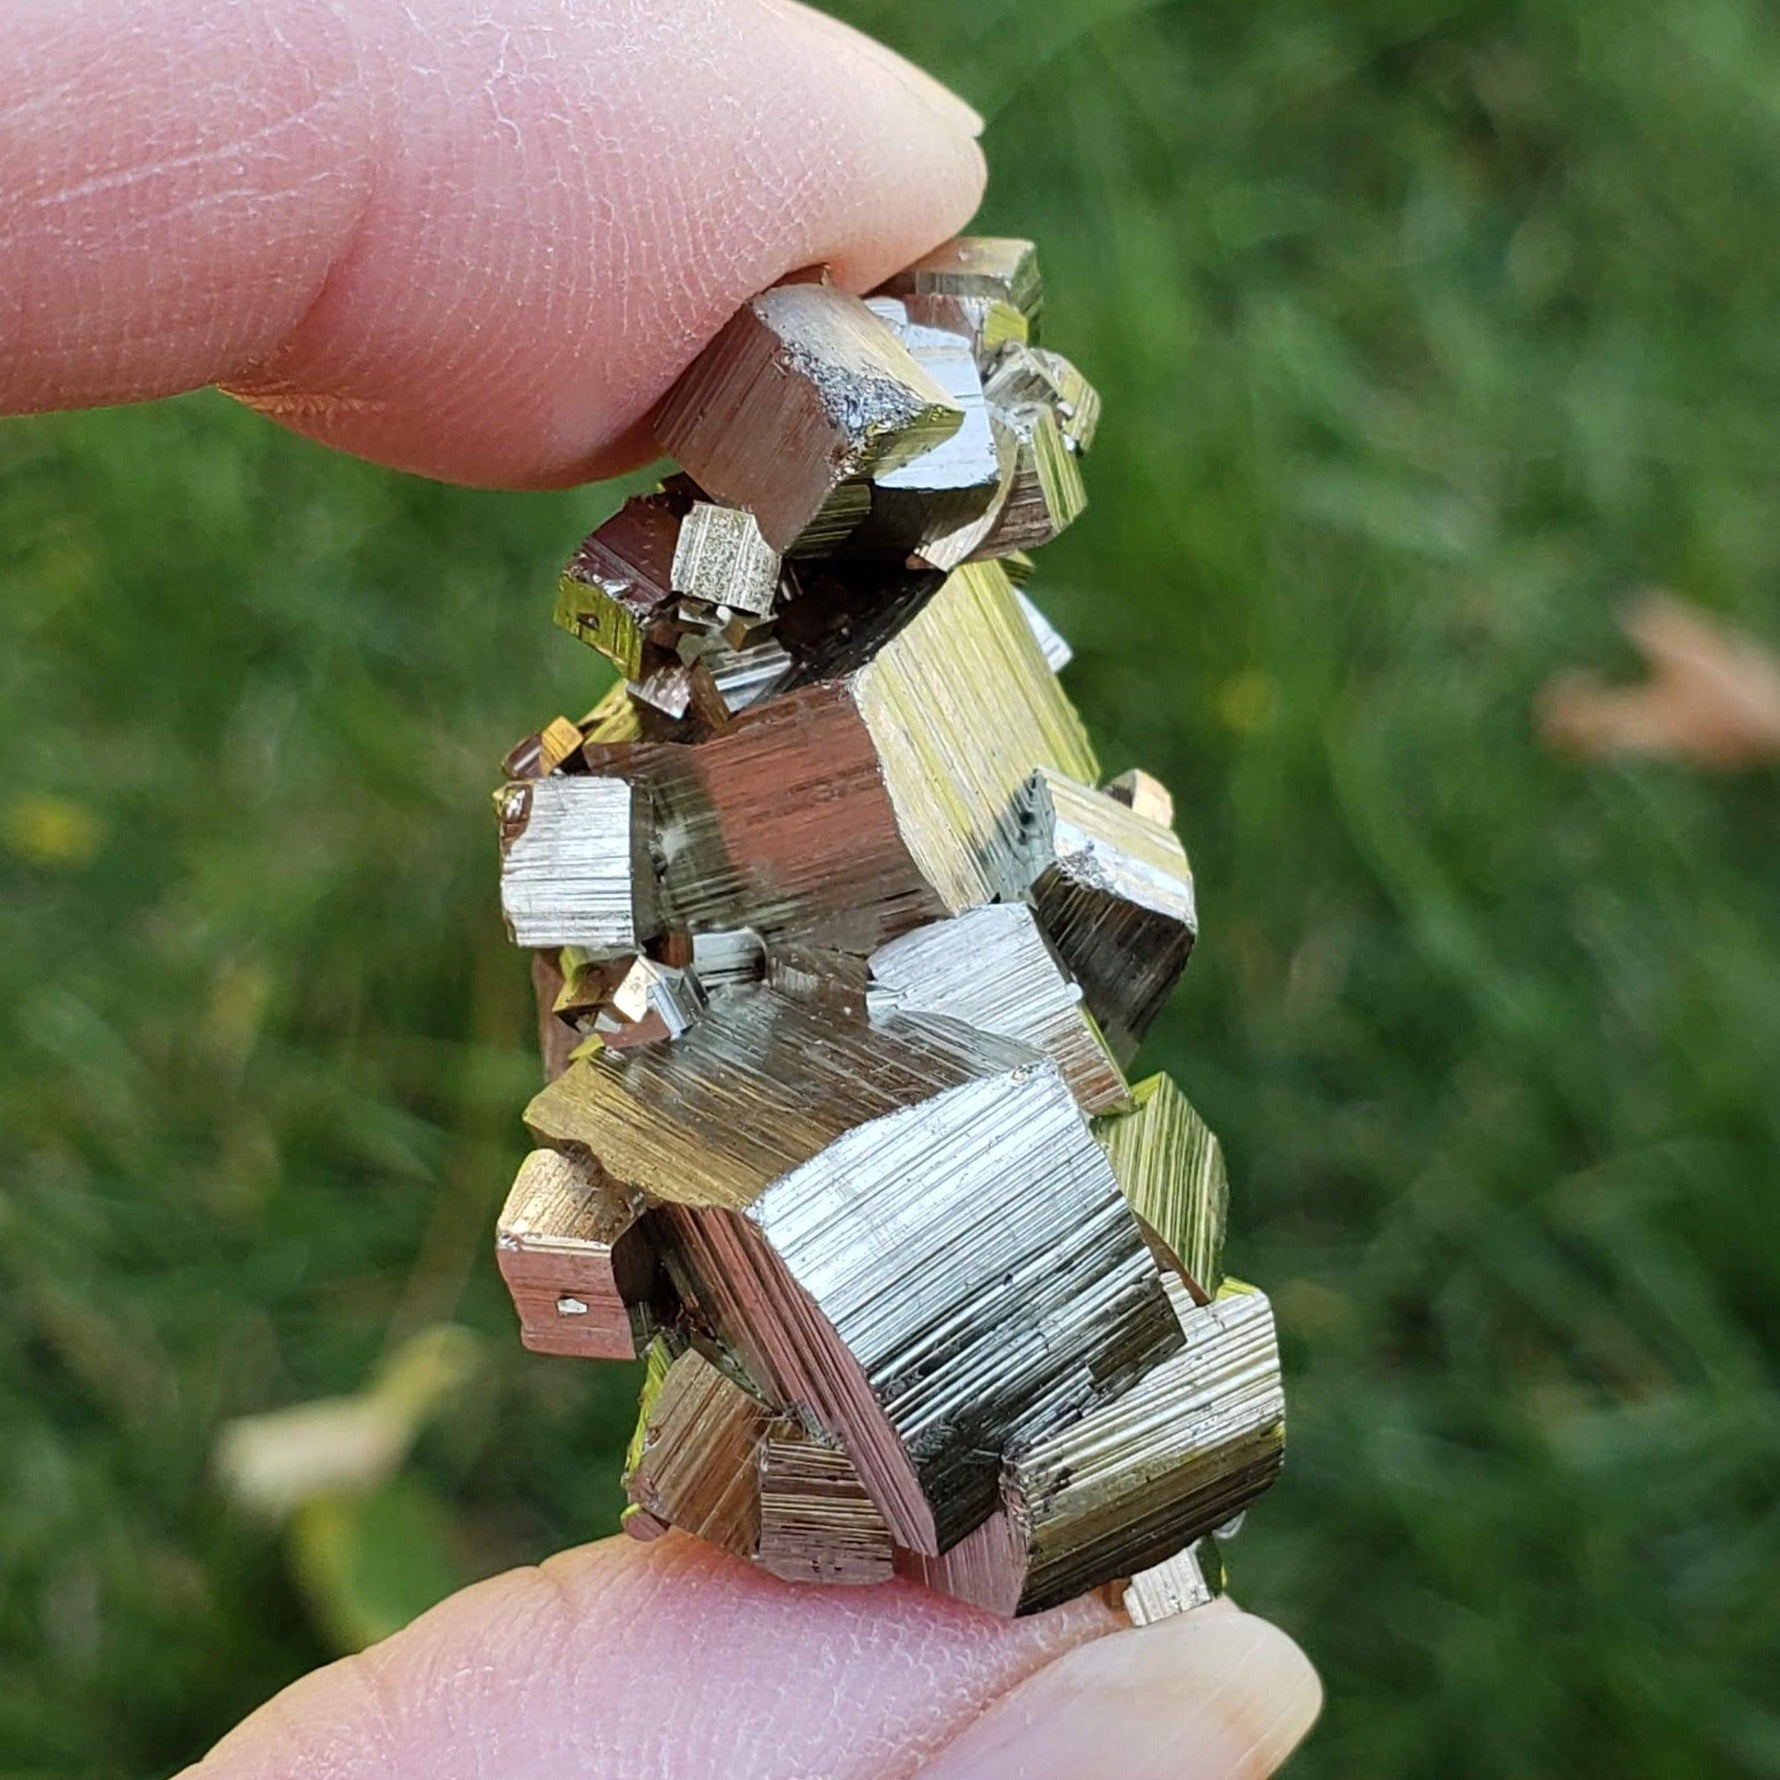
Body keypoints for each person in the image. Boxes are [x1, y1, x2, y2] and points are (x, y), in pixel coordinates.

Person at [1, 2, 1322, 1774]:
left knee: (1071, 1366)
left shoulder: (937, 643)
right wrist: (609, 1161)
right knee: (905, 1394)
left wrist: (1090, 897)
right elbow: (598, 983)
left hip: (969, 1091)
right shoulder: (664, 745)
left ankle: (1094, 1523)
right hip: (819, 1145)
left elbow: (1077, 912)